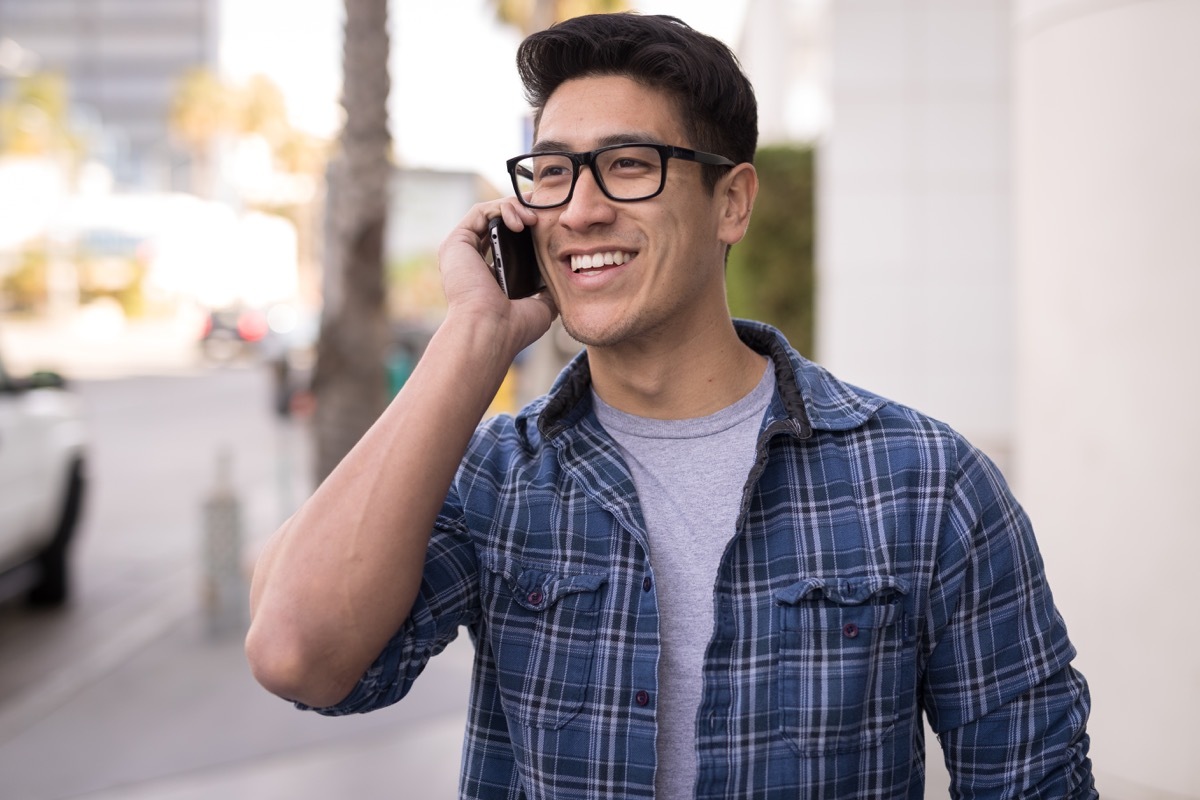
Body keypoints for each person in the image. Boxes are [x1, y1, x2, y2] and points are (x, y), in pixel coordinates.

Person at [245, 13, 1096, 799]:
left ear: (732, 203)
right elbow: (297, 654)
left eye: (628, 165)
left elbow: (1032, 783)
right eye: (552, 172)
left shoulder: (926, 483)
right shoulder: (496, 477)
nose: (580, 210)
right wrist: (476, 335)